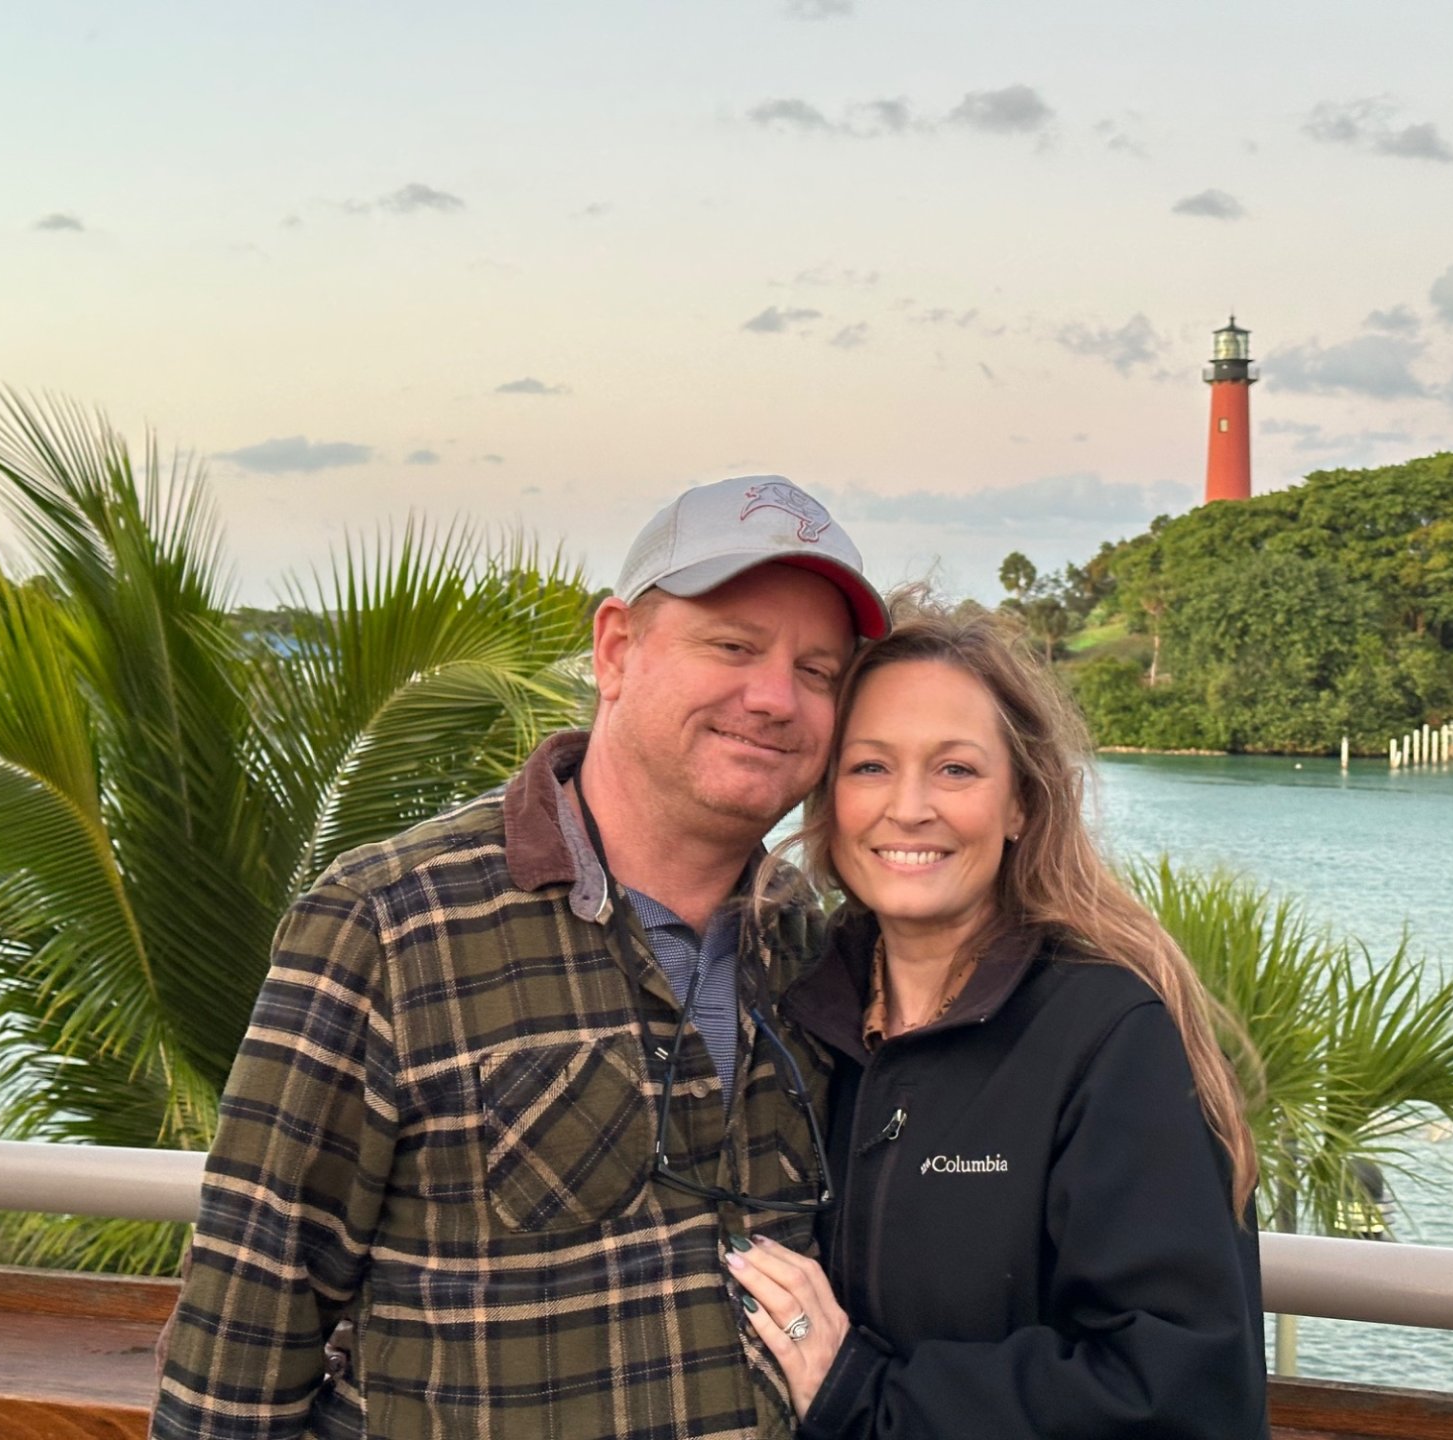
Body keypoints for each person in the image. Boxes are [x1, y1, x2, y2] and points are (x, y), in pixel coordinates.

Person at [150, 475, 888, 1440]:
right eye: (734, 646)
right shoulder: (389, 925)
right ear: (616, 648)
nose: (774, 698)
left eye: (819, 672)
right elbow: (237, 1353)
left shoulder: (808, 942)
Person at [723, 597, 1269, 1439]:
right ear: (827, 803)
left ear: (1020, 804)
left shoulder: (1108, 1034)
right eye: (870, 767)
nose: (910, 808)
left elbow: (1179, 1393)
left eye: (956, 770)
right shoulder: (794, 1011)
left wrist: (863, 1398)